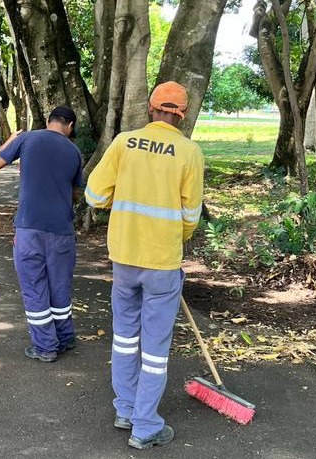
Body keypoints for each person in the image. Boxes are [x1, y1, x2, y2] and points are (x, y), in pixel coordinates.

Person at [84, 81, 204, 450]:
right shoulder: (190, 152)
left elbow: (94, 195)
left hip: (124, 259)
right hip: (163, 263)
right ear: (181, 115)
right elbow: (190, 216)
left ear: (151, 109)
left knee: (124, 338)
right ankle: (145, 424)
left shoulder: (123, 143)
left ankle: (125, 409)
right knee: (154, 348)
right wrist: (172, 238)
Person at [0, 106, 84, 363]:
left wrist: (10, 139)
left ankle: (45, 347)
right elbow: (76, 193)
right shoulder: (74, 151)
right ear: (70, 126)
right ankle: (65, 337)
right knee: (60, 286)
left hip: (30, 229)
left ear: (48, 121)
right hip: (62, 230)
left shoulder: (27, 138)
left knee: (34, 286)